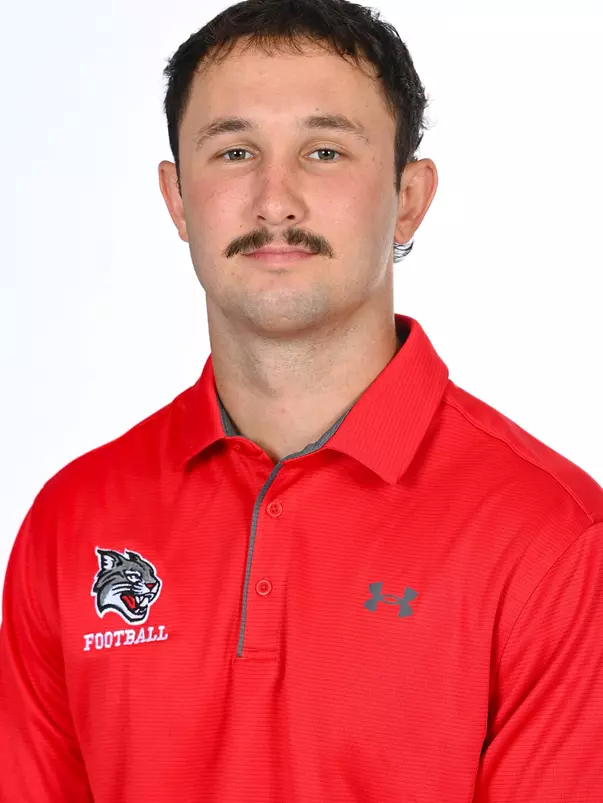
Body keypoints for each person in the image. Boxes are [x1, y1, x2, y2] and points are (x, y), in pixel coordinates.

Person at [1, 0, 602, 800]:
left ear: (410, 197)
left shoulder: (553, 536)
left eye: (323, 151)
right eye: (234, 151)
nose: (274, 199)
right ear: (177, 200)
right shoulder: (72, 520)